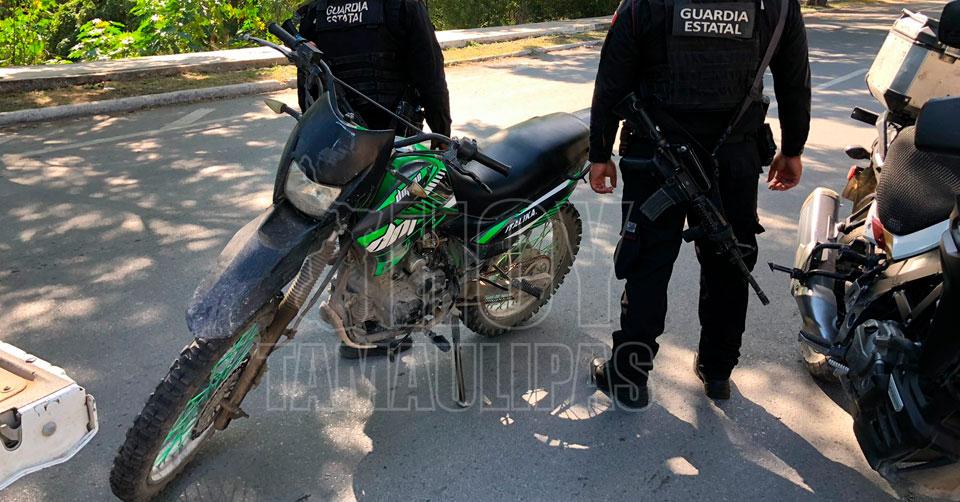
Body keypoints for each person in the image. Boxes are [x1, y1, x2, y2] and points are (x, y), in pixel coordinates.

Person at [588, 0, 811, 409]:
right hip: (732, 158)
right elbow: (794, 79)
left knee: (647, 263)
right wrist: (793, 148)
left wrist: (600, 153)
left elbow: (611, 80)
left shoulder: (643, 4)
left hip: (654, 156)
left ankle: (629, 377)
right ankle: (718, 371)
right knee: (729, 261)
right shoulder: (776, 5)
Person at [292, 0, 452, 138]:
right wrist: (442, 133)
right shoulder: (403, 5)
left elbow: (307, 93)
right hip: (396, 142)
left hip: (337, 144)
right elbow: (431, 79)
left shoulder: (315, 13)